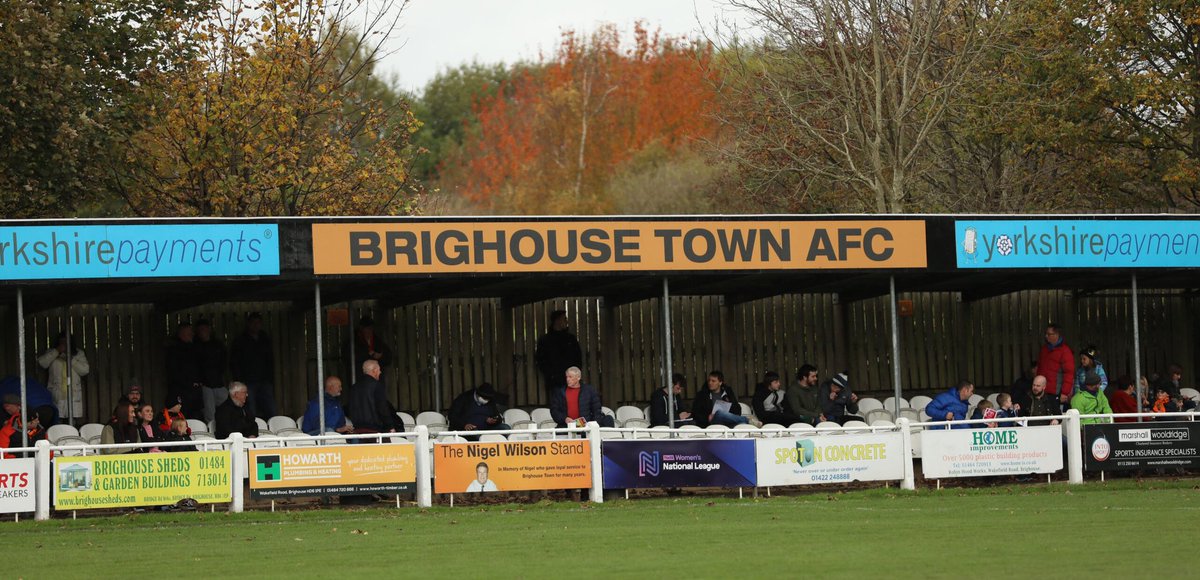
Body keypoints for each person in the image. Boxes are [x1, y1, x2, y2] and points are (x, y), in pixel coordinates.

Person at [230, 312, 277, 420]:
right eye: (253, 323)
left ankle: (274, 429)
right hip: (248, 380)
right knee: (251, 408)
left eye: (258, 323)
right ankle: (253, 428)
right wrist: (240, 380)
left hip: (264, 380)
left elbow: (269, 359)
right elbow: (235, 361)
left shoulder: (264, 338)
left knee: (271, 407)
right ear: (248, 324)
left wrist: (270, 378)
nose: (256, 325)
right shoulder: (241, 340)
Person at [37, 331, 90, 425]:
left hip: (72, 393)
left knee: (72, 421)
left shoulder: (78, 354)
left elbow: (85, 370)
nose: (64, 345)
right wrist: (57, 351)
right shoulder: (52, 353)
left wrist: (70, 359)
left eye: (66, 342)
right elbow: (42, 363)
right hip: (57, 393)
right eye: (61, 342)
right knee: (57, 419)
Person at [346, 360, 403, 435]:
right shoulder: (377, 386)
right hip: (374, 430)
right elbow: (382, 408)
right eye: (379, 370)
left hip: (357, 430)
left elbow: (350, 408)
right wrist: (390, 426)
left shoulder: (354, 387)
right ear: (374, 370)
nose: (380, 372)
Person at [534, 310, 583, 396]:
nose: (566, 321)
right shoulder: (545, 340)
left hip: (571, 381)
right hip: (555, 382)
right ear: (557, 321)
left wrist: (575, 374)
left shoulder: (570, 339)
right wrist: (552, 375)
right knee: (557, 406)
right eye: (564, 319)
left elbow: (578, 358)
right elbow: (541, 360)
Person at [165, 322, 204, 419]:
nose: (192, 334)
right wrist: (190, 383)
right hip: (182, 393)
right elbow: (174, 372)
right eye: (189, 332)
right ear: (182, 333)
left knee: (197, 417)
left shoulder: (194, 348)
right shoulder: (174, 350)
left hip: (195, 393)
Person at [195, 319, 229, 424]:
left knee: (227, 406)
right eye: (200, 330)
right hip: (205, 384)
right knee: (209, 413)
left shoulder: (218, 344)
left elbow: (224, 361)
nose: (202, 332)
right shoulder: (196, 346)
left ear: (209, 330)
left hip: (219, 382)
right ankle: (211, 434)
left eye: (204, 329)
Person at [1036, 323, 1075, 410]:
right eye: (1046, 334)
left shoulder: (1065, 351)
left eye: (1049, 334)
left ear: (1056, 335)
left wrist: (1064, 392)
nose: (1046, 336)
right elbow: (1040, 369)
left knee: (1056, 417)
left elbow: (1069, 373)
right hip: (1043, 391)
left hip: (1056, 392)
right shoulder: (1044, 349)